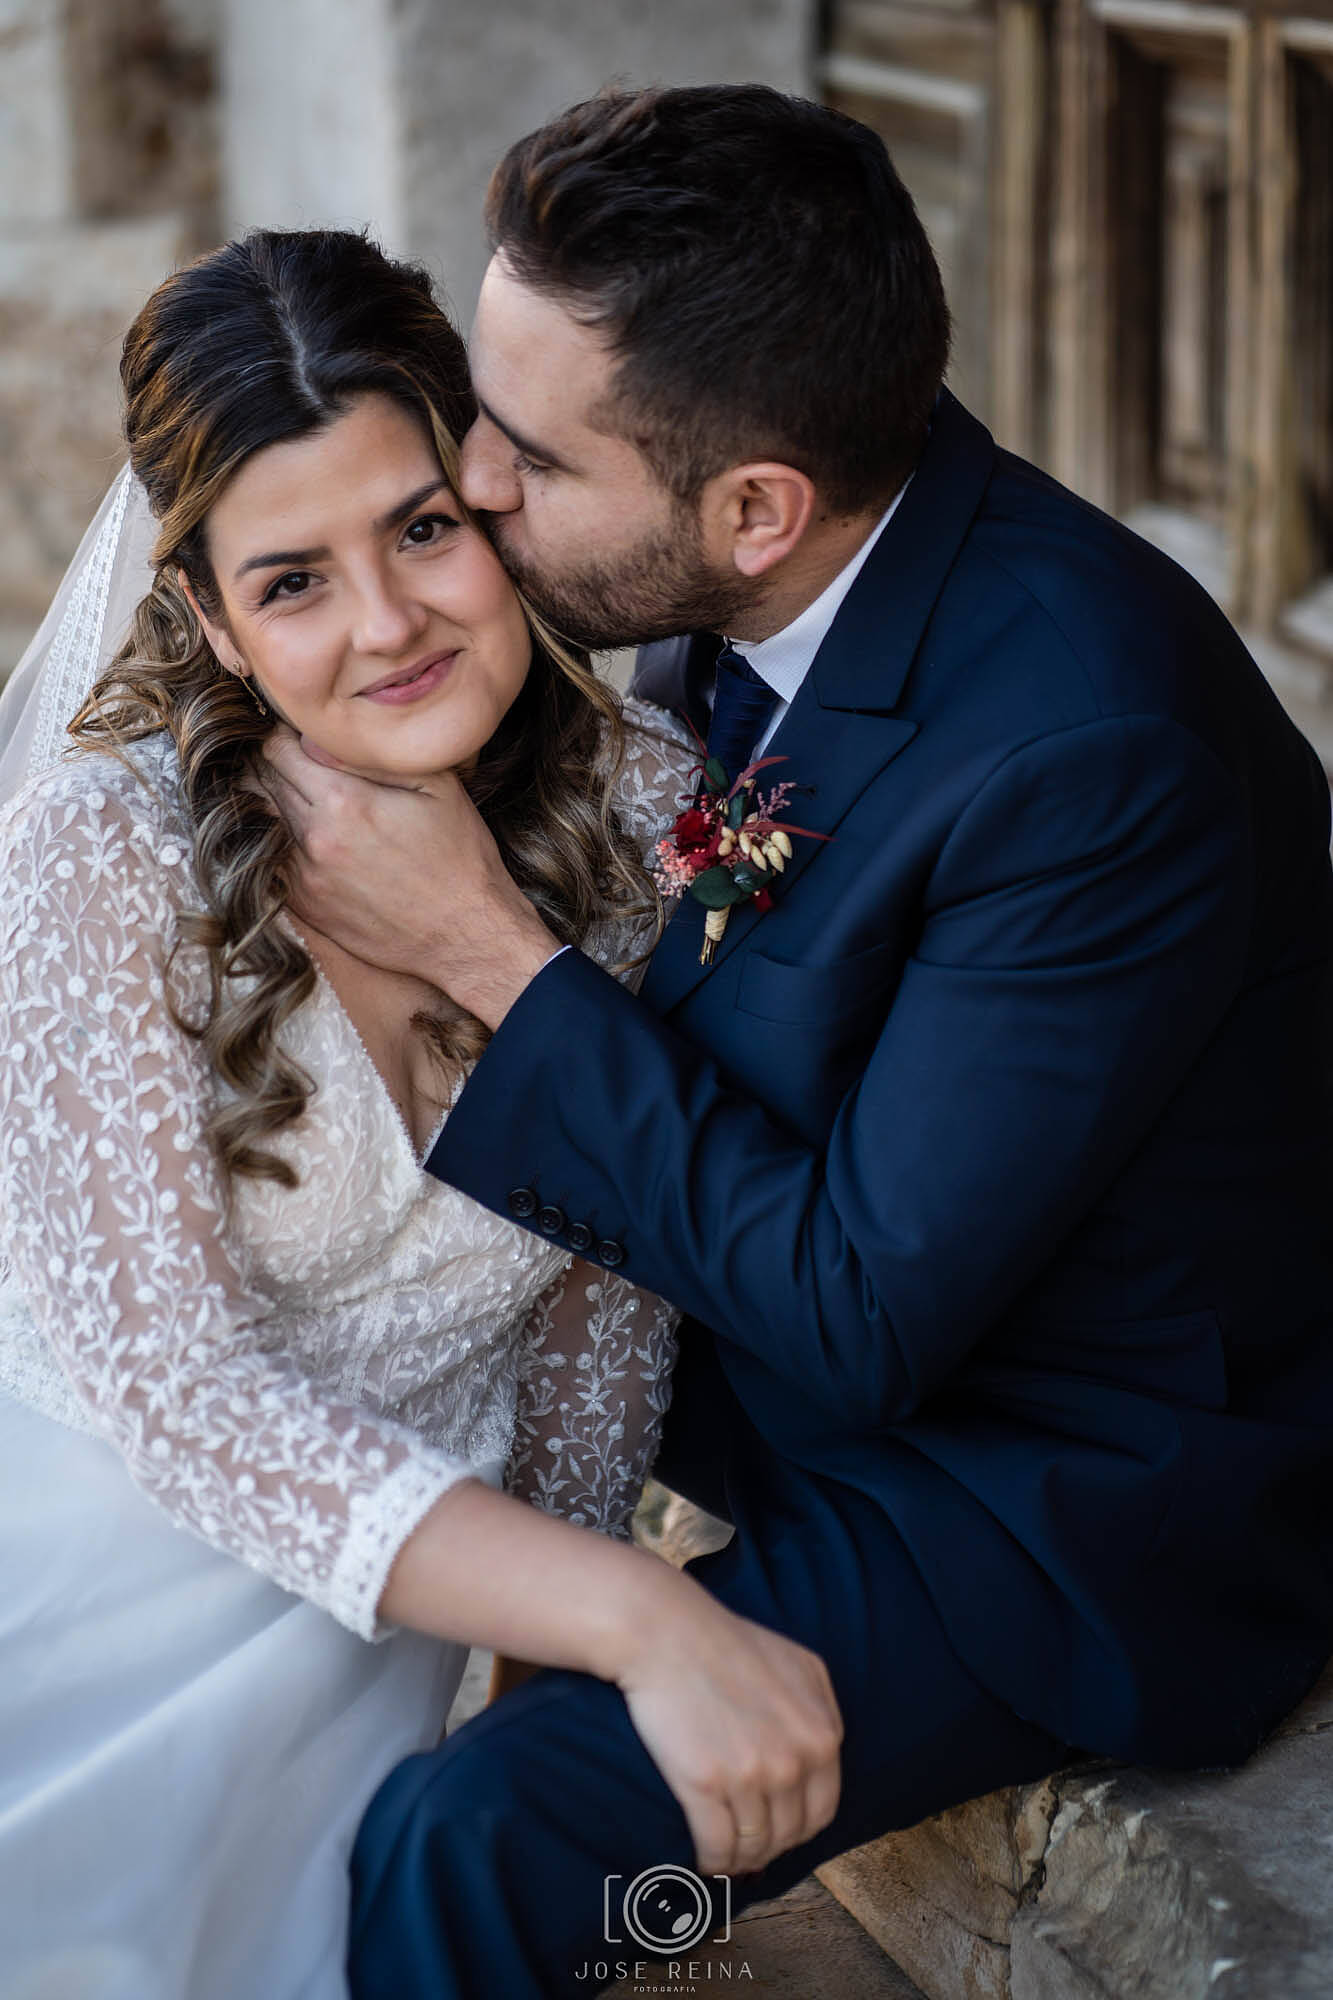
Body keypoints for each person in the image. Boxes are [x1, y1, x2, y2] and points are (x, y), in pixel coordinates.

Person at [258, 86, 1333, 1999]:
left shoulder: (1094, 750)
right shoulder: (726, 566)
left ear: (754, 502)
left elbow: (861, 1305)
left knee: (480, 1838)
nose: (473, 486)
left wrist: (492, 958)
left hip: (1037, 1488)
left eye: (522, 451)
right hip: (761, 1375)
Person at [0, 225, 845, 2000]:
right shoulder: (108, 854)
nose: (387, 625)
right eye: (291, 580)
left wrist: (547, 1713)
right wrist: (644, 1619)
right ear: (211, 623)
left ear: (492, 503)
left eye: (421, 530)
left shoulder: (655, 827)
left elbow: (608, 1325)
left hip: (374, 1664)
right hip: (72, 1601)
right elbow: (171, 1389)